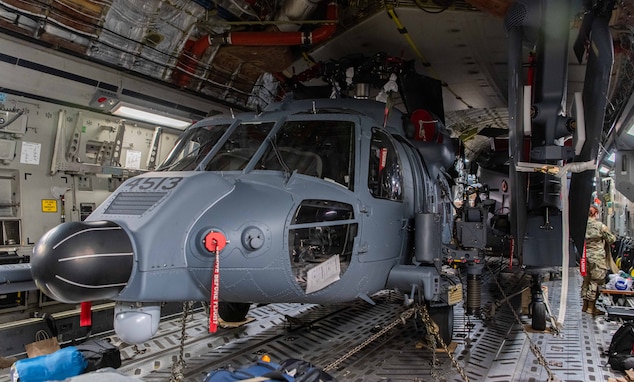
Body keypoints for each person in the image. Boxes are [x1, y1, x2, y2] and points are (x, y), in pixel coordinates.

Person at [582, 204, 616, 315]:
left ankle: (584, 305)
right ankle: (591, 308)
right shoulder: (599, 226)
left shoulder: (582, 225)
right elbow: (611, 239)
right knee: (595, 281)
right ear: (595, 213)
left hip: (585, 256)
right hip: (597, 258)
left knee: (586, 281)